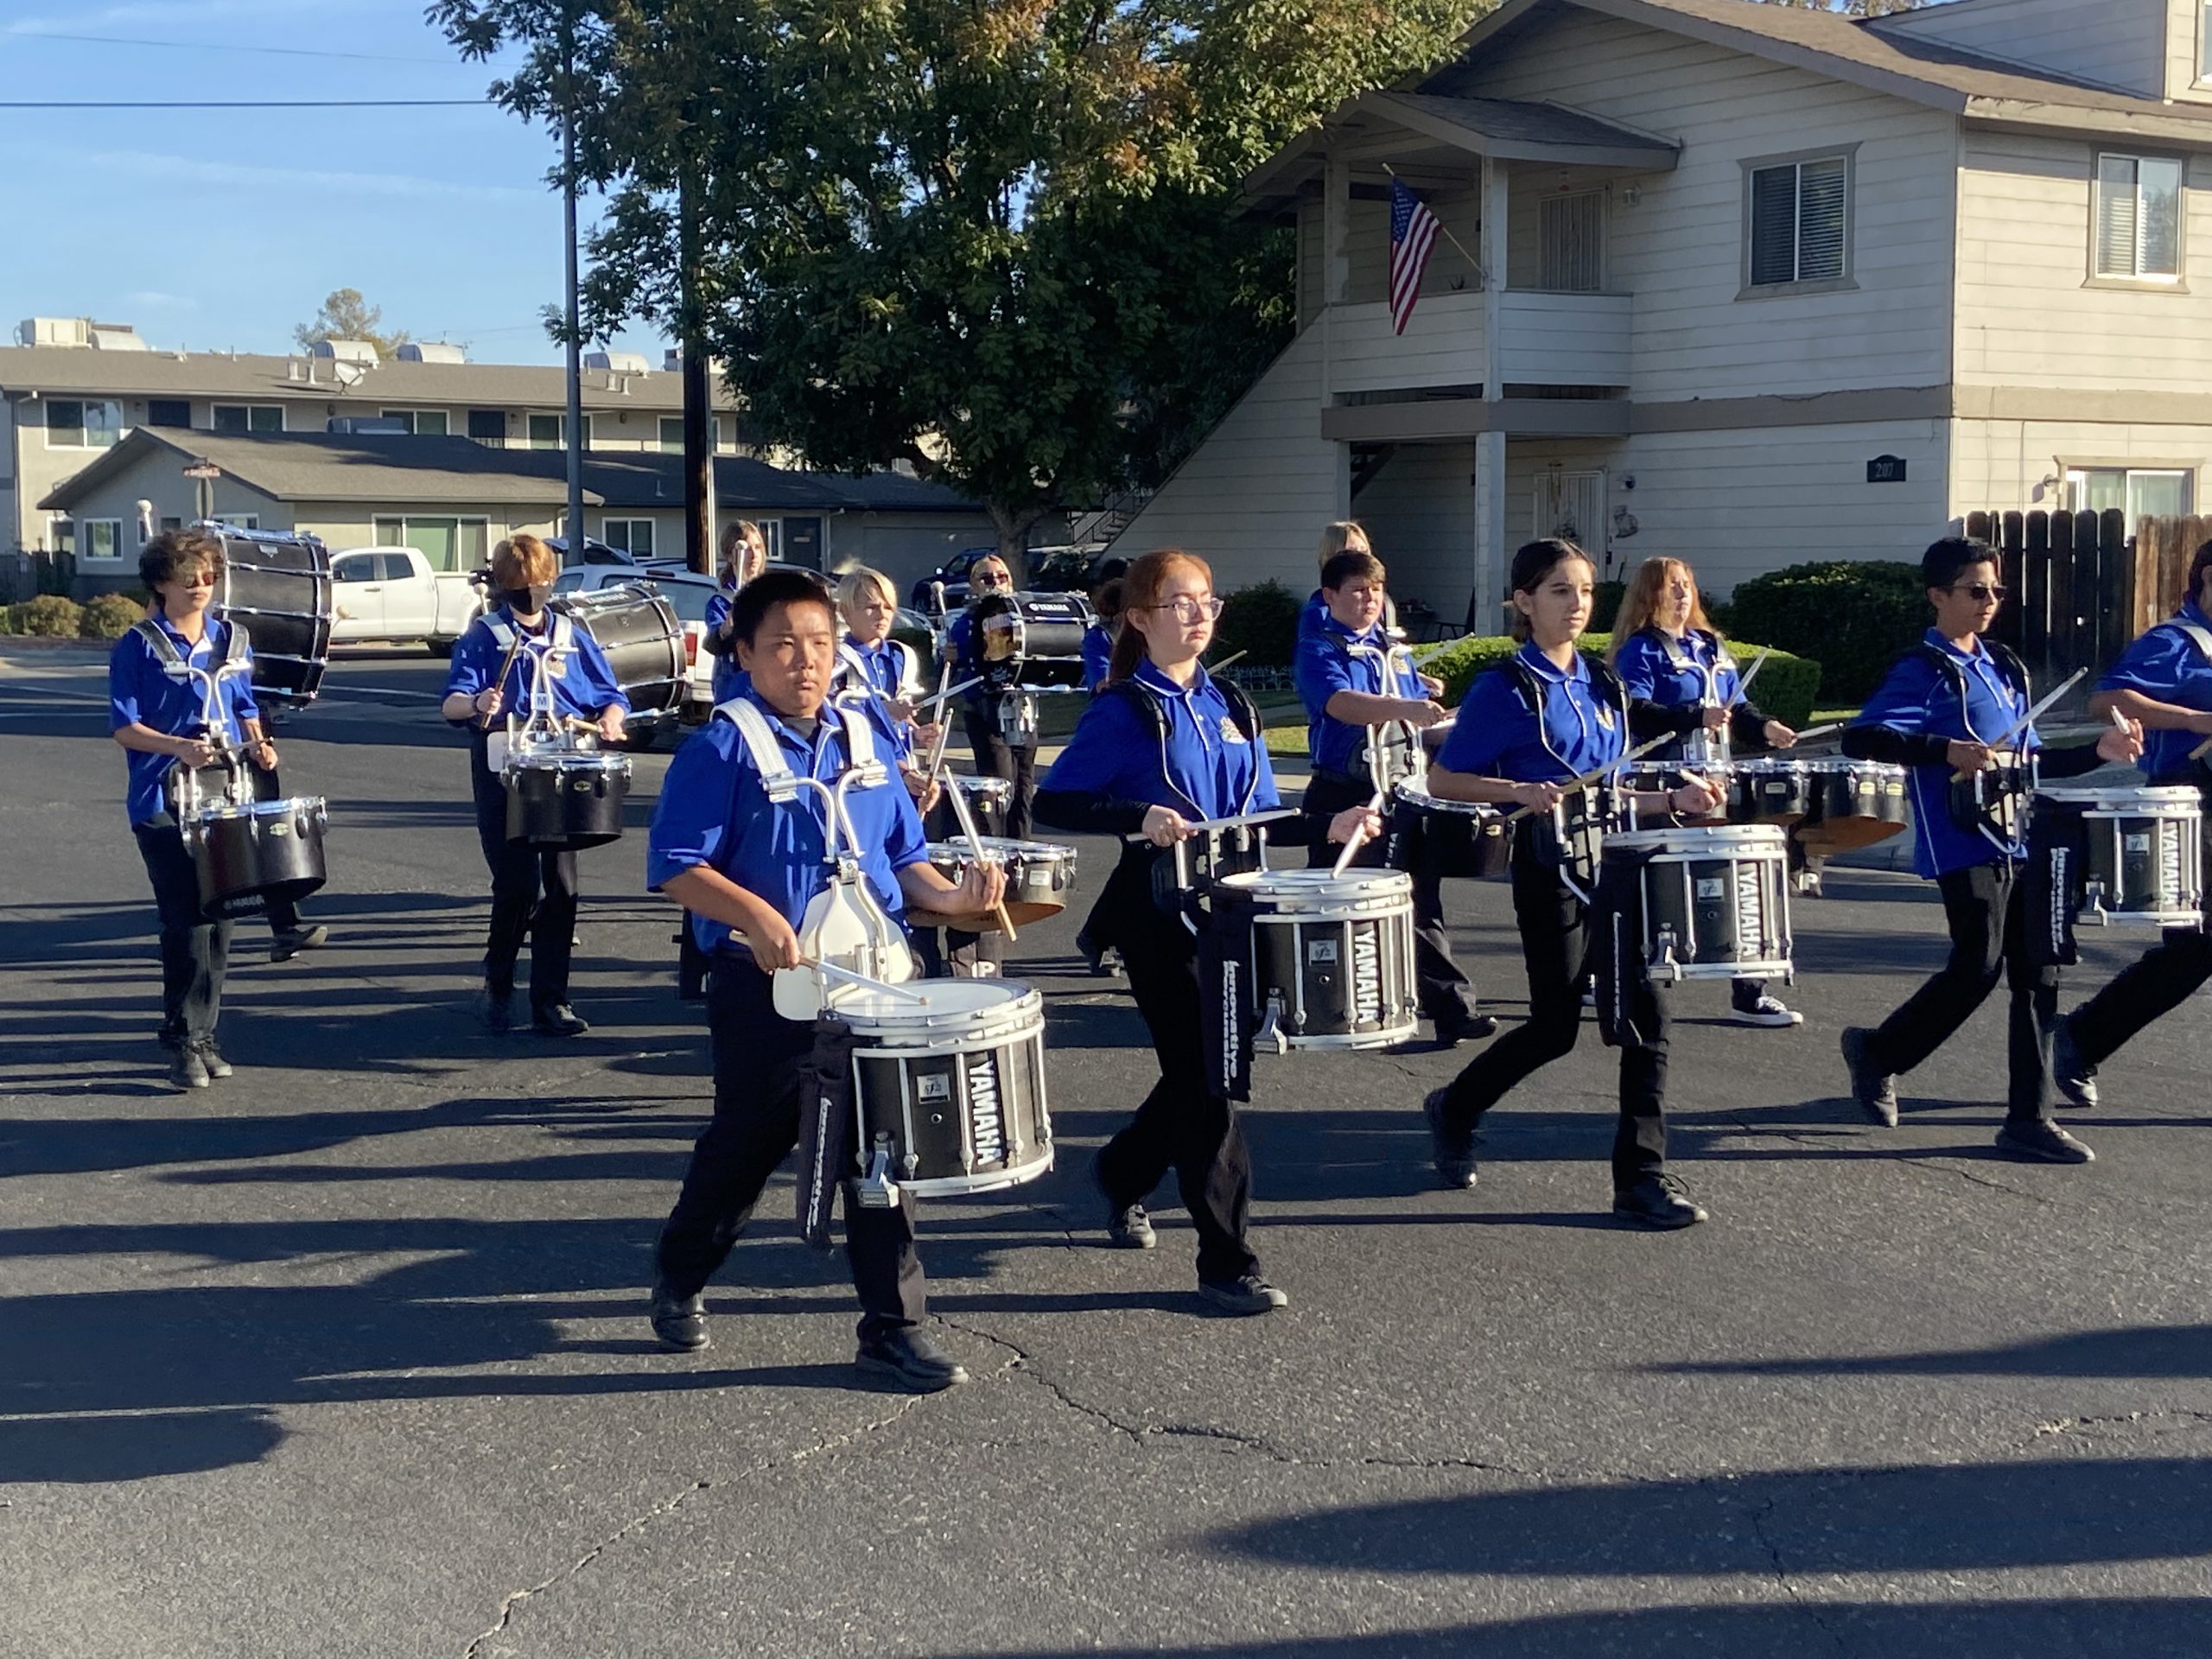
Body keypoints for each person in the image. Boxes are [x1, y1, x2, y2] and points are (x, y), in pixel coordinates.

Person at [644, 568, 1007, 1390]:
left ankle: (893, 1327)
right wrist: (755, 918)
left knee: (880, 1156)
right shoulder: (722, 746)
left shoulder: (866, 736)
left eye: (819, 644)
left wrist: (956, 901)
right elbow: (675, 866)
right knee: (747, 1146)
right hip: (765, 985)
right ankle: (681, 1271)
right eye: (782, 646)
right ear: (743, 653)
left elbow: (903, 858)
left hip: (871, 986)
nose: (804, 662)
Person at [1036, 547, 1378, 1313]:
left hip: (1229, 913)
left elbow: (1260, 816)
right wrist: (1139, 816)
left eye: (1207, 602)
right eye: (1180, 603)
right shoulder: (1124, 709)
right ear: (1139, 618)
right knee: (1210, 1082)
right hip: (1155, 913)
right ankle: (1227, 1261)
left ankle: (1122, 1172)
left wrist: (1333, 819)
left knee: (1200, 1073)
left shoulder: (1233, 705)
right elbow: (1057, 802)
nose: (1199, 615)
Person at [1420, 538, 1725, 1229]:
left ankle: (1641, 1177)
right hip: (1549, 868)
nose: (1577, 604)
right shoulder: (1507, 687)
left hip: (1617, 865)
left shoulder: (1602, 681)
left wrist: (1676, 802)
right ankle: (1456, 1106)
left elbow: (1612, 792)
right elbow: (1443, 778)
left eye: (1585, 591)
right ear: (1524, 602)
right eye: (1560, 591)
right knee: (1555, 1030)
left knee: (1649, 1017)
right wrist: (1518, 790)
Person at [1836, 536, 2140, 1162]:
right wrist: (1941, 750)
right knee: (1976, 966)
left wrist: (2096, 754)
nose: (1990, 601)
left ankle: (2028, 1119)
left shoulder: (2003, 665)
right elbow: (1863, 737)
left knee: (2038, 971)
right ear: (1938, 596)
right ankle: (1879, 1051)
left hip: (2022, 832)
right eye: (1976, 590)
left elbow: (2024, 760)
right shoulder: (1922, 668)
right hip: (1962, 837)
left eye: (1996, 591)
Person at [1294, 546, 1490, 1044]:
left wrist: (1456, 723)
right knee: (1323, 900)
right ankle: (1303, 1001)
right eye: (1358, 591)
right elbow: (1340, 704)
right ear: (1330, 595)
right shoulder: (1320, 647)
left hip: (1401, 789)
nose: (1369, 600)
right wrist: (1405, 704)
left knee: (1419, 899)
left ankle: (1451, 1008)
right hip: (1344, 790)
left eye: (1376, 590)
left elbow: (1415, 722)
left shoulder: (1393, 650)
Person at [441, 533, 630, 1038]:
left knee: (563, 888)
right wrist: (479, 703)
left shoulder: (570, 634)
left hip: (562, 771)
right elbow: (451, 703)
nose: (533, 591)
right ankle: (498, 984)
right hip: (505, 774)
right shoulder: (484, 636)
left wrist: (610, 717)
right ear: (503, 586)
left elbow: (612, 694)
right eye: (521, 584)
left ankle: (552, 1000)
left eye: (541, 582)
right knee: (518, 887)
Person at [110, 528, 278, 1090]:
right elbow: (125, 729)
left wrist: (258, 739)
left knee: (221, 923)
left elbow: (245, 705)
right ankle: (187, 1040)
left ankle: (199, 1033)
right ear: (161, 583)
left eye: (209, 578)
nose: (202, 588)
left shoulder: (233, 640)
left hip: (223, 794)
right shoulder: (138, 646)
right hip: (160, 798)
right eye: (189, 580)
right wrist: (178, 746)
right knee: (186, 922)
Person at [2050, 538, 2212, 1106]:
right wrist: (2195, 718)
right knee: (2196, 946)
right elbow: (2107, 700)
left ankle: (2083, 1034)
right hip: (2192, 803)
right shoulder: (2176, 642)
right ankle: (2082, 1034)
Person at [1611, 556, 1802, 1028]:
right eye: (1671, 586)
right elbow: (1634, 709)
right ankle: (1622, 974)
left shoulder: (1710, 647)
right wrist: (1693, 716)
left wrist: (1766, 727)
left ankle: (1751, 987)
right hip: (1665, 780)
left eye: (1687, 585)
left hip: (1719, 776)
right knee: (1650, 886)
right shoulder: (1641, 651)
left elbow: (1738, 707)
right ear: (1649, 595)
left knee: (1746, 877)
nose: (1682, 594)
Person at [943, 553, 1039, 840]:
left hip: (1022, 708)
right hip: (984, 710)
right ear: (974, 585)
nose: (995, 582)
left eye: (1001, 577)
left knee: (1024, 788)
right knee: (999, 786)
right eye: (986, 578)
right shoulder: (965, 622)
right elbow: (950, 669)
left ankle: (1021, 852)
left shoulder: (1022, 617)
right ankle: (998, 851)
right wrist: (949, 657)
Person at [702, 519, 769, 706]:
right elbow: (714, 643)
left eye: (758, 547)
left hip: (767, 685)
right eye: (746, 549)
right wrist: (724, 631)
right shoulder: (722, 601)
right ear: (731, 556)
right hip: (735, 688)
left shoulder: (771, 597)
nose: (754, 554)